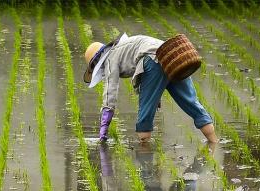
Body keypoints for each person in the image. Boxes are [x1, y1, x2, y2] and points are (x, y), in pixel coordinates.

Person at [83, 33, 218, 143]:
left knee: (145, 113)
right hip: (172, 56)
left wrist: (104, 126)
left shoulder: (110, 59)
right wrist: (155, 91)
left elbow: (110, 92)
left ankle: (145, 158)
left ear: (97, 62)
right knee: (191, 102)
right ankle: (214, 143)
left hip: (154, 61)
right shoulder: (124, 46)